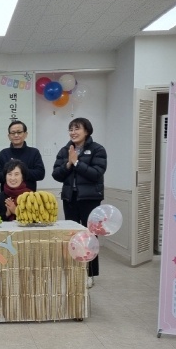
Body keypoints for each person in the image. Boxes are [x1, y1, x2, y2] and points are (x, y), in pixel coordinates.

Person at [52, 117, 107, 288]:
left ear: (87, 131)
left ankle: (90, 274)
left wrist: (76, 162)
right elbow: (56, 174)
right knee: (73, 237)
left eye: (77, 128)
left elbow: (96, 174)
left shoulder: (97, 149)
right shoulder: (65, 150)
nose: (73, 132)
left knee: (90, 237)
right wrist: (68, 163)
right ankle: (75, 271)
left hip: (90, 199)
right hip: (70, 198)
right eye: (71, 129)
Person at [0, 120, 45, 192]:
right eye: (13, 133)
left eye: (19, 132)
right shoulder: (3, 153)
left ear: (25, 134)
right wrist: (11, 174)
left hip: (28, 195)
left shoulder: (34, 152)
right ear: (9, 136)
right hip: (7, 195)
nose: (16, 135)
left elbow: (40, 174)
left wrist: (21, 172)